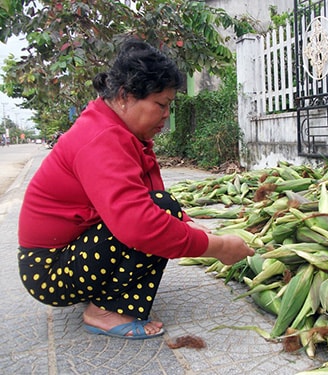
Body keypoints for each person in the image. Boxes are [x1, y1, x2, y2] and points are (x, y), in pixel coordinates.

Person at [17, 38, 254, 340]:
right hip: (49, 272)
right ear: (125, 96)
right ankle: (103, 311)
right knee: (152, 219)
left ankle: (104, 298)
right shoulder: (101, 138)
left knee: (164, 209)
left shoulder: (117, 130)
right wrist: (218, 248)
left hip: (68, 256)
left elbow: (148, 192)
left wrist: (189, 225)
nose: (167, 115)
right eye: (161, 105)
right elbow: (139, 223)